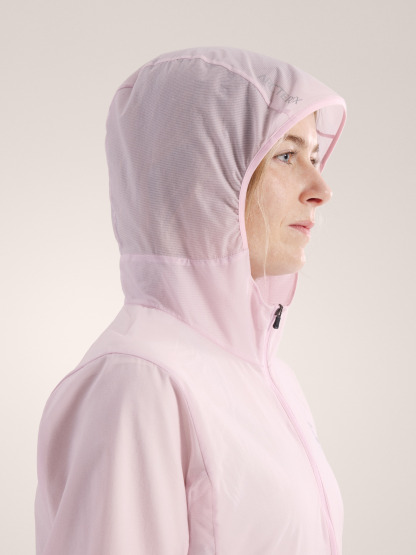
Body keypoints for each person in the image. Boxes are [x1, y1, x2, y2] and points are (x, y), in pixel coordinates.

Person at [35, 47, 346, 554]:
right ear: (205, 177)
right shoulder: (139, 381)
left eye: (314, 156)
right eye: (286, 156)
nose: (320, 189)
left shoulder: (267, 375)